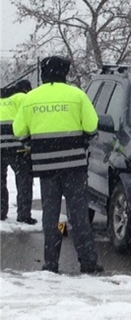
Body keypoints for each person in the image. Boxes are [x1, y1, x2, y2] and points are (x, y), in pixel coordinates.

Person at [13, 56, 104, 274]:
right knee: (78, 215)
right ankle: (88, 262)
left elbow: (19, 131)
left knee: (50, 215)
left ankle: (51, 263)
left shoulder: (31, 98)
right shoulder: (77, 95)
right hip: (74, 166)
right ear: (65, 73)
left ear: (43, 74)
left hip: (46, 167)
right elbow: (92, 126)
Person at [0, 80, 36, 224]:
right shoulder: (22, 97)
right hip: (17, 148)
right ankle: (23, 214)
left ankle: (1, 212)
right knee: (24, 181)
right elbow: (30, 119)